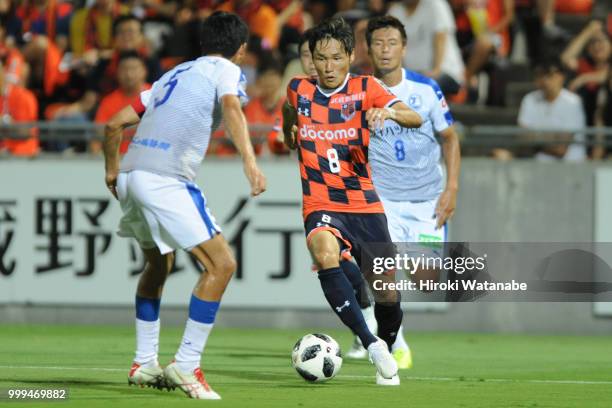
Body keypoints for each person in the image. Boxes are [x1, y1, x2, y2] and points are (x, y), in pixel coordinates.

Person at [102, 11, 266, 399]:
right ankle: (187, 364)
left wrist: (112, 171)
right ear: (240, 50)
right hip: (165, 179)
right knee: (222, 264)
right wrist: (250, 161)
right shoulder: (227, 70)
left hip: (132, 174)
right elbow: (231, 108)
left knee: (159, 264)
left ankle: (144, 363)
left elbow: (113, 124)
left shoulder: (173, 73)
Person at [282, 17, 423, 386]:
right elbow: (287, 114)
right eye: (319, 59)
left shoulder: (366, 88)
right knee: (325, 253)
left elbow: (415, 116)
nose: (327, 67)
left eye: (334, 58)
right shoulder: (299, 90)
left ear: (349, 55)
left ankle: (387, 349)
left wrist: (388, 111)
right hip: (320, 201)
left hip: (363, 204)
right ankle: (370, 342)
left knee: (387, 294)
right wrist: (290, 133)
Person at [343, 15, 461, 368]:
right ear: (367, 48)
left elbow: (450, 138)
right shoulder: (358, 91)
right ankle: (396, 344)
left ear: (404, 48)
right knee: (382, 275)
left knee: (426, 280)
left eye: (392, 43)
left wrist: (452, 187)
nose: (385, 49)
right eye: (378, 43)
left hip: (426, 200)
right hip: (382, 201)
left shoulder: (426, 89)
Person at [503, 59, 586, 161]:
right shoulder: (529, 99)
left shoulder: (573, 102)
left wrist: (534, 140)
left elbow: (560, 149)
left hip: (570, 168)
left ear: (562, 76)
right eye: (540, 75)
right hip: (536, 165)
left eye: (550, 75)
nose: (545, 80)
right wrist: (554, 137)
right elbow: (522, 138)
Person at [388, 0, 465, 96]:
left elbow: (440, 37)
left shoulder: (435, 4)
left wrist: (436, 70)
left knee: (423, 90)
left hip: (445, 72)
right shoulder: (395, 11)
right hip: (413, 76)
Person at [93, 51, 151, 154]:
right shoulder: (108, 102)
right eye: (124, 69)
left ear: (144, 71)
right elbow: (97, 138)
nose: (129, 74)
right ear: (117, 73)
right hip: (118, 163)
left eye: (134, 69)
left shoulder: (157, 96)